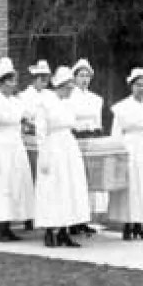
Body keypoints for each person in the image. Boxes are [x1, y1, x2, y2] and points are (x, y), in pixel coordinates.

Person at [0, 57, 37, 242]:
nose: (13, 84)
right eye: (9, 80)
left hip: (16, 147)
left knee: (15, 185)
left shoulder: (17, 102)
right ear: (1, 82)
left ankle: (8, 226)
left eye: (14, 80)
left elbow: (29, 118)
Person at [33, 66, 92, 247]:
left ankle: (64, 230)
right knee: (53, 187)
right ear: (60, 86)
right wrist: (43, 155)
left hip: (68, 147)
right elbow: (40, 132)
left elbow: (75, 123)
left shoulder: (69, 104)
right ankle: (50, 231)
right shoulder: (45, 102)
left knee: (70, 187)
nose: (71, 90)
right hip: (53, 147)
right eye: (68, 87)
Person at [109, 67, 143, 241]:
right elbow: (116, 131)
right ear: (131, 86)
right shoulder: (122, 107)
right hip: (129, 147)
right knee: (130, 186)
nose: (140, 88)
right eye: (137, 85)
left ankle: (139, 225)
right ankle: (127, 225)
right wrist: (117, 152)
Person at [67, 58, 106, 236]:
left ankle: (85, 219)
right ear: (74, 77)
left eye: (87, 76)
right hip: (76, 141)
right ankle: (74, 220)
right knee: (77, 180)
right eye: (81, 75)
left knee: (91, 181)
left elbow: (97, 121)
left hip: (91, 141)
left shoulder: (96, 99)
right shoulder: (69, 98)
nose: (84, 79)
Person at [18, 59, 52, 231]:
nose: (43, 81)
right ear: (33, 78)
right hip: (30, 141)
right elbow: (22, 117)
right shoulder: (24, 96)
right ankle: (28, 216)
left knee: (44, 178)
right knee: (31, 177)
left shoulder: (50, 96)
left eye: (45, 78)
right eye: (40, 78)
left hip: (45, 141)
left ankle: (42, 213)